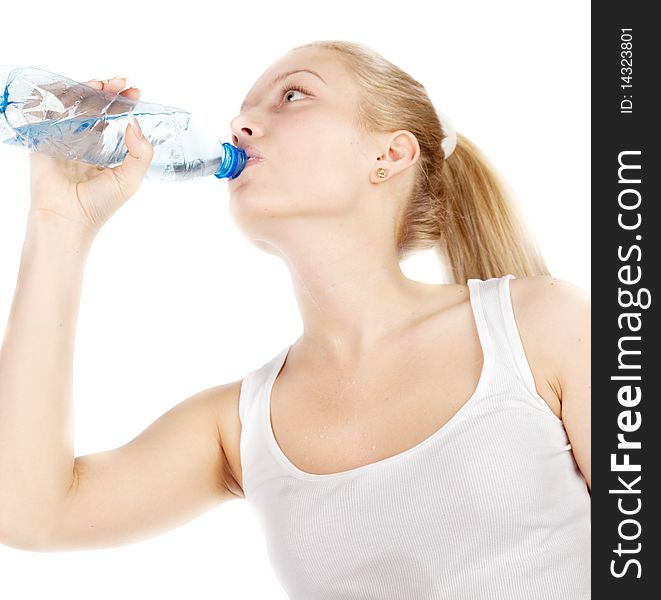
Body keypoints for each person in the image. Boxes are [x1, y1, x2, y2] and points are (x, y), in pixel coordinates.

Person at [0, 40, 590, 599]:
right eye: (242, 111)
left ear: (389, 154)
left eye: (292, 96)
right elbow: (31, 513)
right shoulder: (240, 427)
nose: (239, 125)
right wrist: (60, 223)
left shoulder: (540, 326)